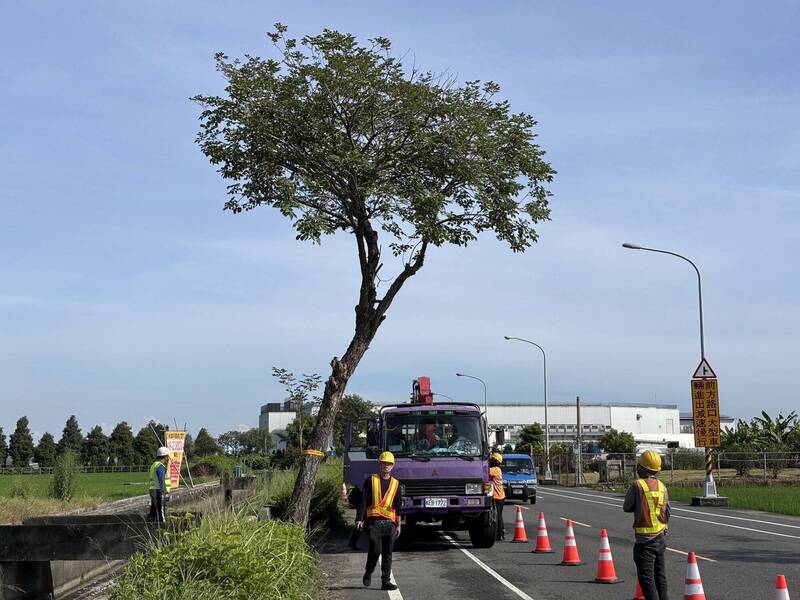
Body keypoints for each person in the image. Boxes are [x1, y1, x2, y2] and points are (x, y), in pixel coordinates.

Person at [623, 450, 671, 600]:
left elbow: (627, 507)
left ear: (642, 468)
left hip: (645, 541)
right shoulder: (662, 486)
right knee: (660, 576)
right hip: (661, 537)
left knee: (647, 580)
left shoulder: (637, 485)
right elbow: (667, 511)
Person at [356, 451, 401, 591]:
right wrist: (359, 518)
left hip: (390, 524)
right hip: (373, 523)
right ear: (379, 464)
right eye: (383, 463)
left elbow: (398, 506)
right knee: (375, 551)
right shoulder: (371, 480)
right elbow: (363, 501)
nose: (385, 466)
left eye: (388, 464)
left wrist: (399, 525)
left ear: (392, 466)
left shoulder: (396, 484)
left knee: (388, 553)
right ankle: (368, 572)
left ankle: (385, 581)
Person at [148, 446, 171, 523]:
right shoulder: (160, 466)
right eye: (167, 456)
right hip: (159, 491)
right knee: (161, 510)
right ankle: (163, 525)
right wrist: (164, 493)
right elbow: (161, 480)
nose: (168, 458)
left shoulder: (154, 465)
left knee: (154, 509)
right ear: (165, 457)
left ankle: (149, 523)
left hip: (153, 490)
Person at [488, 452, 506, 540]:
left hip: (497, 496)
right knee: (499, 515)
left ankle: (499, 534)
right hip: (500, 496)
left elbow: (484, 470)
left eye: (492, 459)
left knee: (497, 515)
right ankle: (501, 532)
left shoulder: (495, 469)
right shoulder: (497, 469)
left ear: (496, 461)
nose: (491, 460)